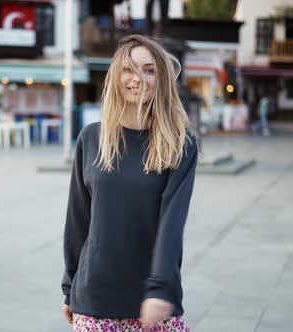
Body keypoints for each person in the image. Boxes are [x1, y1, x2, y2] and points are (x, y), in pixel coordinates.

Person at [61, 35, 198, 332]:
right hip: (95, 300)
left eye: (149, 70)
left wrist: (160, 287)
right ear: (115, 76)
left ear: (161, 79)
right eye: (128, 69)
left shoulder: (181, 144)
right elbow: (78, 220)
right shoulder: (91, 138)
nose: (137, 78)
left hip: (156, 303)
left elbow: (172, 222)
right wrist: (69, 286)